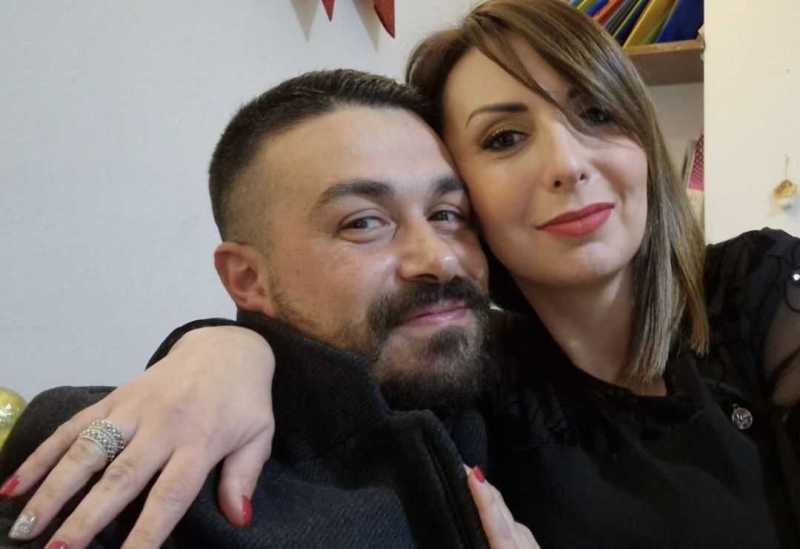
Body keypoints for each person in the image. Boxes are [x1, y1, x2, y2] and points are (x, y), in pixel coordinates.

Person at [6, 0, 800, 547]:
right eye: (504, 139)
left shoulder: (757, 288)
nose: (567, 163)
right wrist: (220, 345)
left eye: (446, 214)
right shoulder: (467, 380)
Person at [0, 69, 537, 548]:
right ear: (248, 279)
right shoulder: (123, 454)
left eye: (447, 213)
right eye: (363, 223)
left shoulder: (533, 398)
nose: (440, 259)